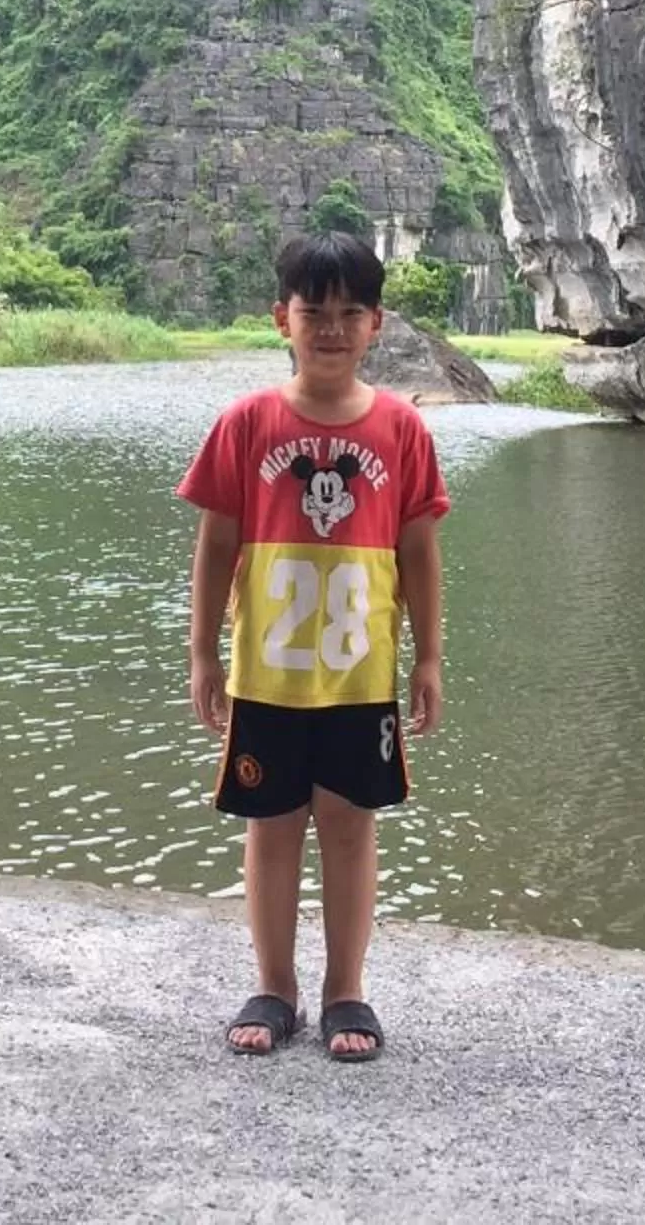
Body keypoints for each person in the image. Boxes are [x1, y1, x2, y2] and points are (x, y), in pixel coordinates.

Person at [178, 228, 449, 1061]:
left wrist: (429, 657)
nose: (331, 329)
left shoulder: (402, 428)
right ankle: (275, 987)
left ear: (377, 325)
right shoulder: (246, 422)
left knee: (349, 824)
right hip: (269, 672)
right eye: (314, 312)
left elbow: (418, 550)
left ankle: (345, 991)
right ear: (281, 319)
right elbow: (216, 544)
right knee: (271, 825)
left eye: (350, 313)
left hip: (361, 675)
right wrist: (202, 650)